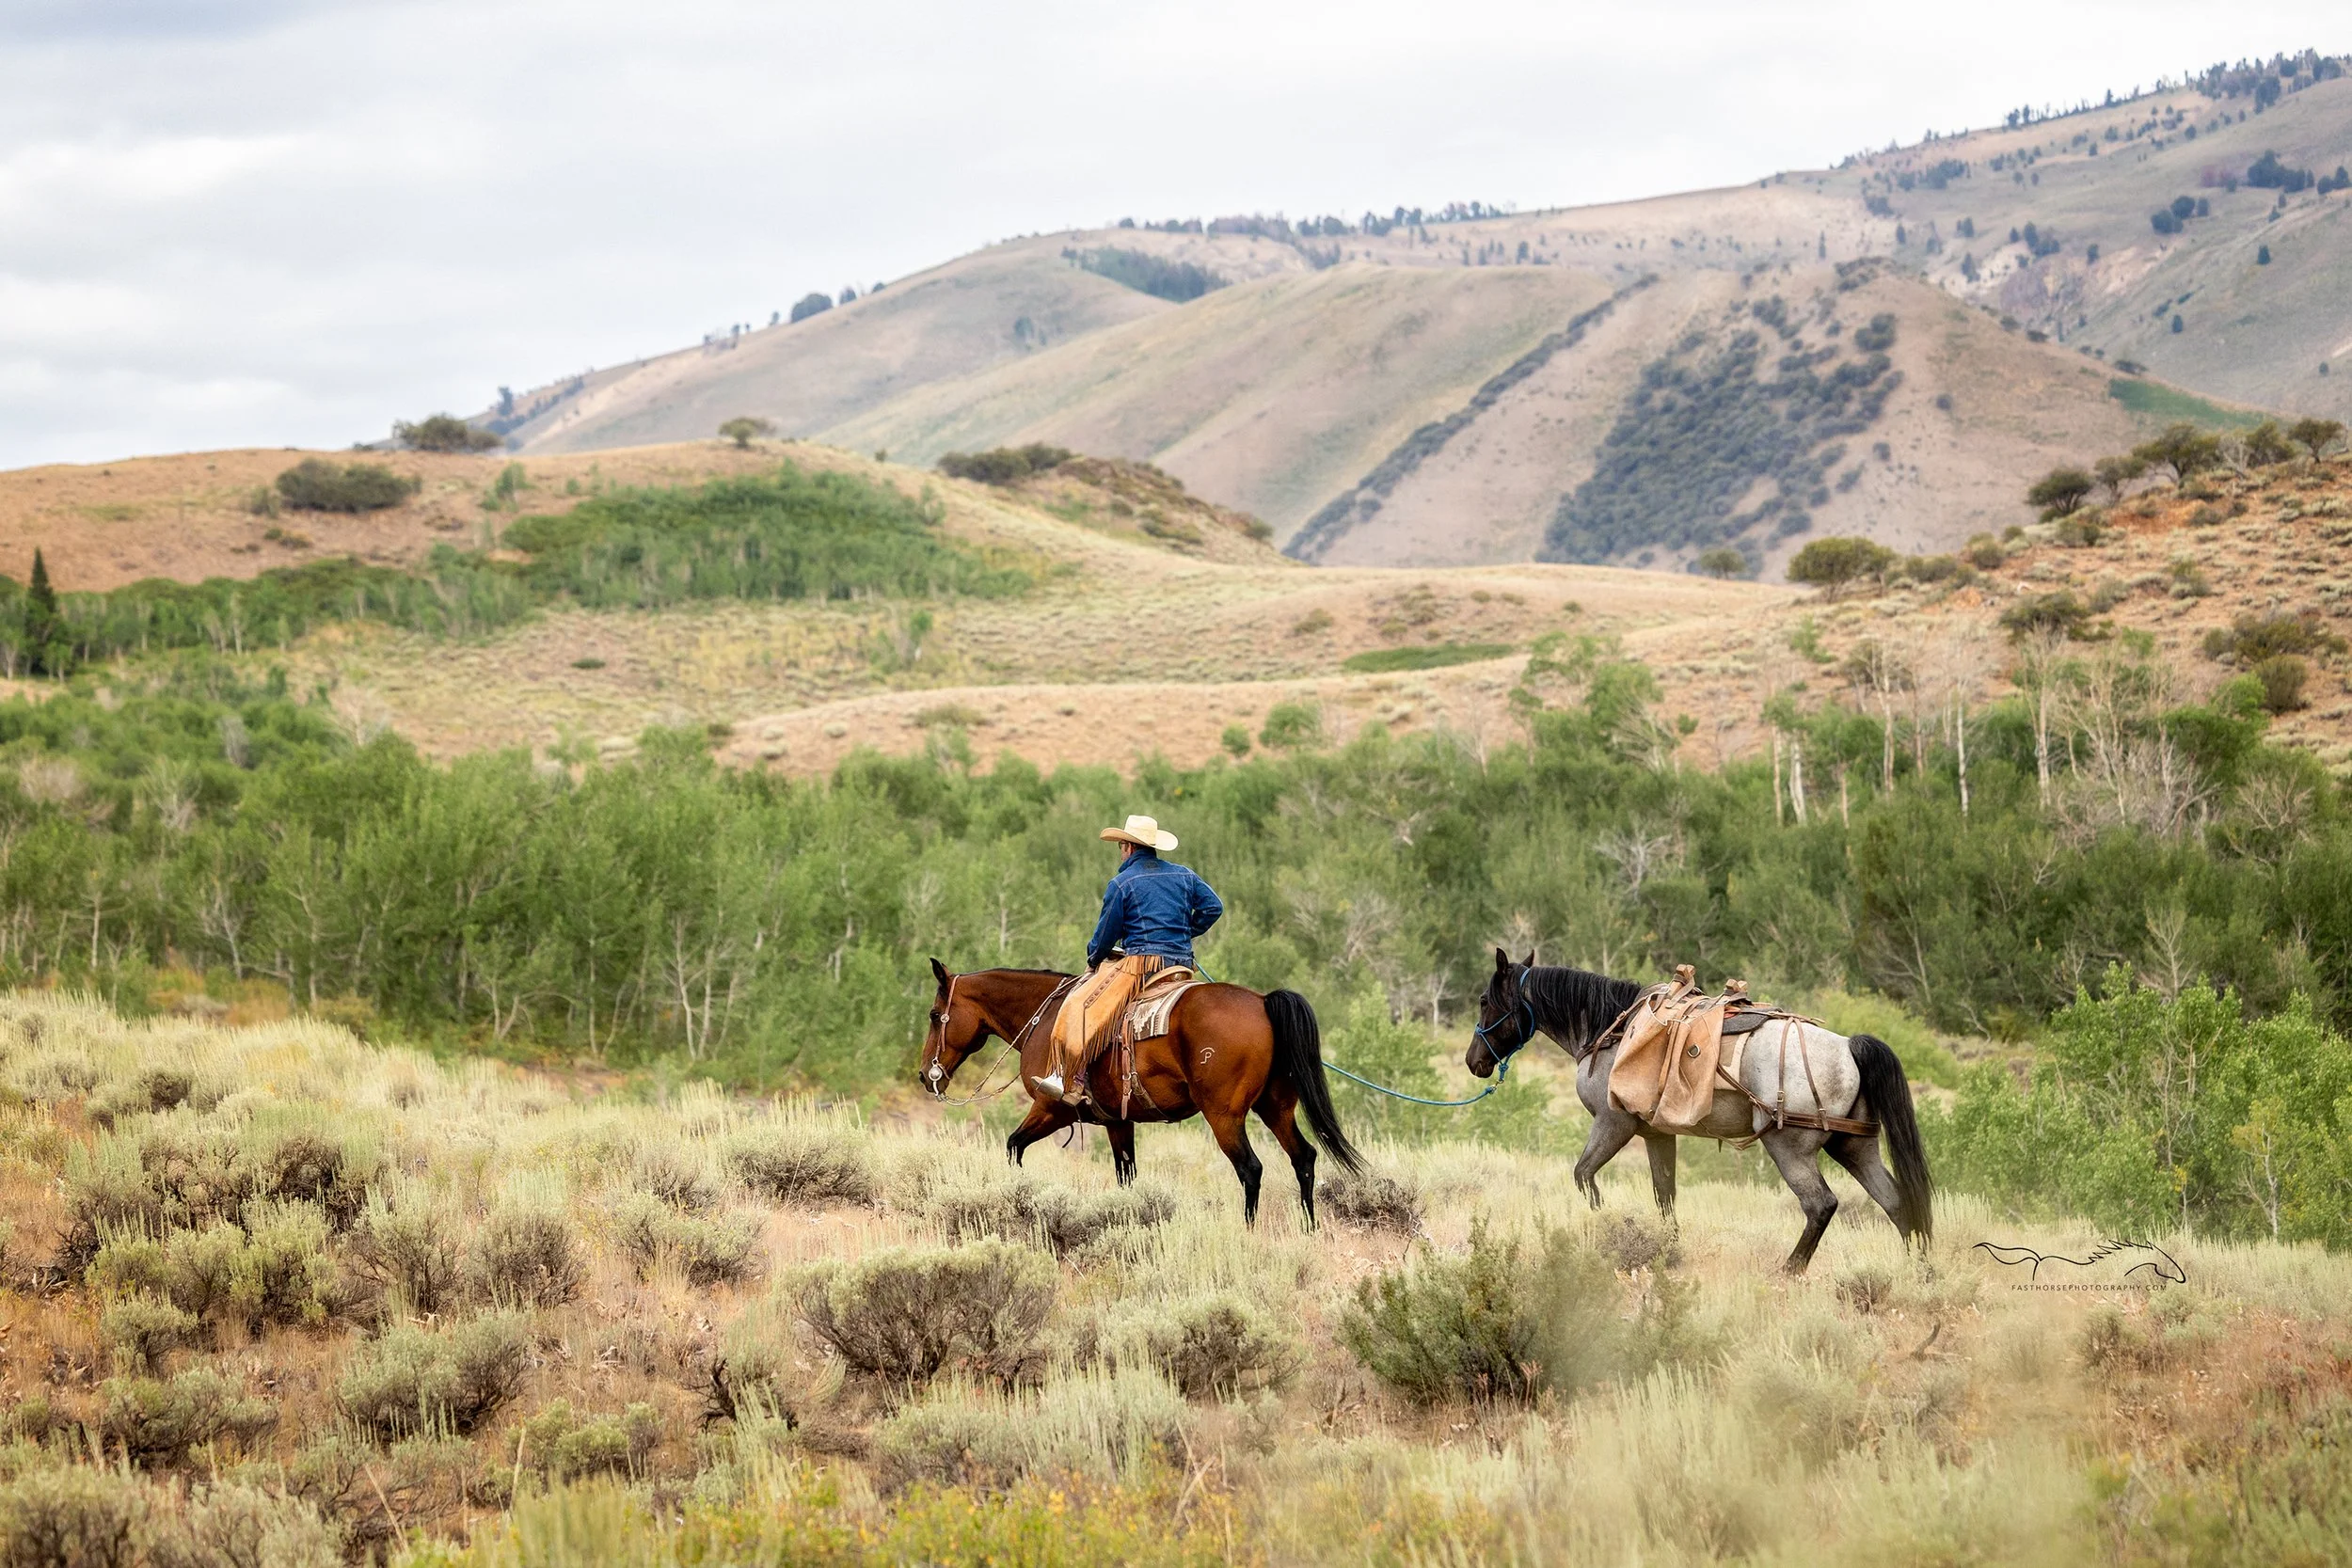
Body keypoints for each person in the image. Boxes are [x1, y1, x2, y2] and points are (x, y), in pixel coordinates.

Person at [1037, 814, 1223, 1105]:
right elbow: (1214, 907)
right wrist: (1188, 930)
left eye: (1121, 847)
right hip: (1181, 966)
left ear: (1128, 847)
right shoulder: (1185, 875)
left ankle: (1071, 1079)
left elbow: (1105, 934)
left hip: (1141, 967)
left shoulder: (1122, 883)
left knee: (1081, 1004)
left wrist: (1094, 958)